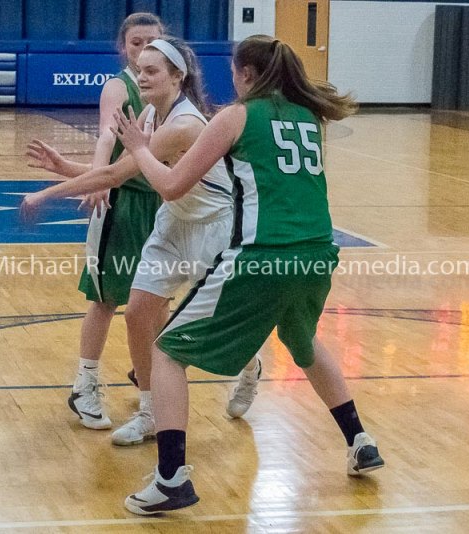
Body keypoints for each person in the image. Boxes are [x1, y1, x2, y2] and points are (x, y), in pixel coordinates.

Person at [112, 35, 385, 515]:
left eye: (235, 72)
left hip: (262, 255)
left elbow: (171, 185)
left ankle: (171, 478)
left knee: (167, 352)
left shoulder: (235, 116)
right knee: (303, 340)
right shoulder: (309, 115)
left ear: (246, 74)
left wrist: (138, 146)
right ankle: (360, 440)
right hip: (318, 254)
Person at [23, 37, 264, 445]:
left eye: (152, 71)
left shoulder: (185, 125)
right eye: (139, 70)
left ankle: (250, 366)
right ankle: (150, 412)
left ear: (177, 76)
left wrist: (45, 194)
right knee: (137, 313)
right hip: (172, 223)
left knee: (221, 324)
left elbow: (114, 175)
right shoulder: (151, 114)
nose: (142, 77)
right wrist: (65, 167)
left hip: (213, 227)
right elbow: (122, 169)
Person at [27, 13, 164, 430]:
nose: (144, 50)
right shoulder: (119, 87)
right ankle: (84, 385)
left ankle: (148, 372)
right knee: (105, 299)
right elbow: (106, 136)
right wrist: (98, 178)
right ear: (124, 48)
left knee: (158, 300)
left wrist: (69, 168)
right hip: (121, 206)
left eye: (152, 42)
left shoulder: (169, 90)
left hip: (161, 206)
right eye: (137, 43)